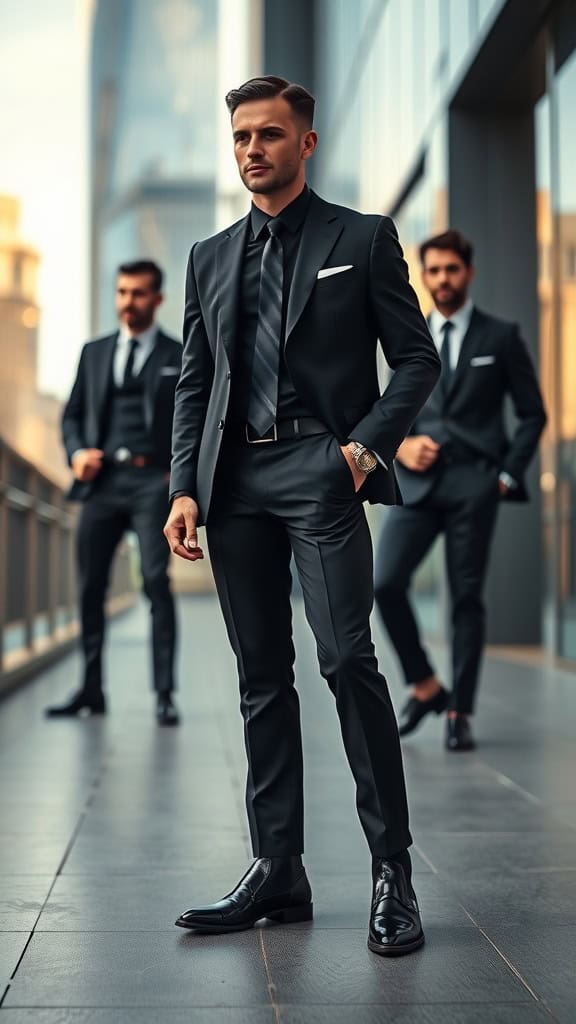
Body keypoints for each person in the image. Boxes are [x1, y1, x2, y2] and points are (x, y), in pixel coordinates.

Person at [164, 76, 440, 955]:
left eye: (271, 135)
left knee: (348, 658)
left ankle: (391, 869)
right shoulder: (208, 256)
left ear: (306, 144)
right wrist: (183, 487)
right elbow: (195, 383)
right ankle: (278, 865)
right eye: (242, 135)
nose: (253, 149)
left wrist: (362, 451)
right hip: (235, 482)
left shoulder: (360, 238)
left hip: (322, 471)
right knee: (260, 678)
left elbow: (415, 359)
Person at [375, 229, 546, 752]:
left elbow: (533, 414)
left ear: (468, 273)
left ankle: (459, 710)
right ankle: (426, 684)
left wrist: (506, 475)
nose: (443, 279)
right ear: (423, 277)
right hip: (418, 485)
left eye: (452, 269)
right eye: (434, 270)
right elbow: (388, 411)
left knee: (465, 598)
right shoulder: (410, 338)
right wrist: (401, 449)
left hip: (476, 483)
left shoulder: (501, 337)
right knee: (384, 583)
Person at [46, 260, 182, 726]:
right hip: (101, 483)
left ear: (158, 299)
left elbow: (191, 425)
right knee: (88, 587)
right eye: (123, 292)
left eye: (139, 293)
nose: (129, 302)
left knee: (155, 583)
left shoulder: (178, 354)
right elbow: (71, 415)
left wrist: (176, 479)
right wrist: (77, 452)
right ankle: (90, 688)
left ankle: (164, 693)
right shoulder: (95, 352)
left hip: (153, 482)